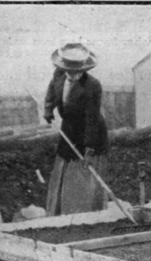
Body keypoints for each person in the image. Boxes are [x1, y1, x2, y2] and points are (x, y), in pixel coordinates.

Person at [43, 42, 109, 216]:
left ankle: (82, 215)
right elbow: (51, 91)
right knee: (64, 167)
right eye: (69, 72)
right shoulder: (58, 75)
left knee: (82, 174)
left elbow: (92, 118)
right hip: (69, 128)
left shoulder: (93, 85)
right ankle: (60, 212)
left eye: (77, 72)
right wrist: (48, 110)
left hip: (89, 132)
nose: (73, 75)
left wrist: (89, 148)